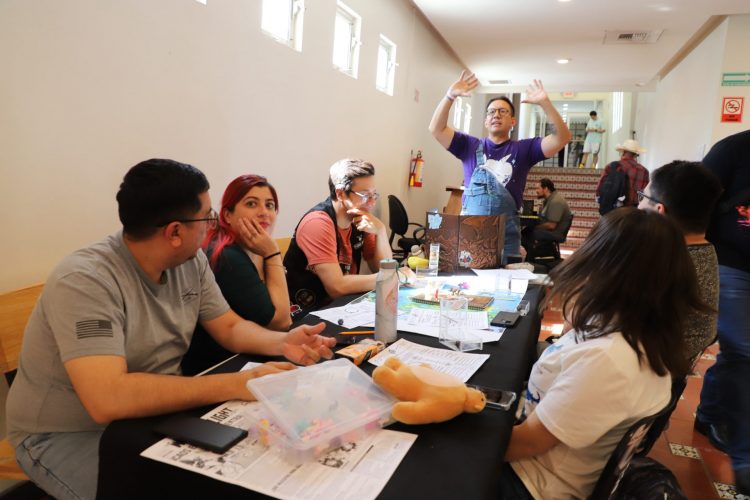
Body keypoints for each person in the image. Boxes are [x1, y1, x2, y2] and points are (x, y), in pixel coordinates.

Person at [5, 159, 336, 500]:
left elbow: (229, 326)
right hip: (68, 433)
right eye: (207, 217)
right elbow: (108, 398)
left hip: (153, 412)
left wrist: (283, 342)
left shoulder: (190, 261)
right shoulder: (86, 281)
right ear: (175, 232)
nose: (212, 225)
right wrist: (237, 384)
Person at [500, 208, 710, 499]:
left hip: (531, 482)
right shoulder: (640, 334)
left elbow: (527, 443)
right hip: (540, 463)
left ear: (606, 271)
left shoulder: (609, 359)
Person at [428, 71, 571, 262]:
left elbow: (563, 137)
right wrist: (449, 96)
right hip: (469, 234)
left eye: (503, 111)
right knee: (468, 279)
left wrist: (545, 103)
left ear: (513, 122)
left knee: (506, 280)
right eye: (491, 112)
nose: (496, 114)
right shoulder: (469, 146)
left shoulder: (524, 150)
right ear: (486, 121)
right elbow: (436, 129)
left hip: (507, 237)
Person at [182, 175, 292, 376]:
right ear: (227, 215)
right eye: (251, 204)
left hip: (245, 352)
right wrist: (273, 253)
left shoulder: (254, 249)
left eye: (269, 205)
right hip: (217, 366)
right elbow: (281, 322)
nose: (263, 212)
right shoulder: (227, 256)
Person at [696, 130, 750, 495]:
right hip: (731, 264)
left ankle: (708, 413)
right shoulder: (734, 149)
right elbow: (692, 201)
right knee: (744, 352)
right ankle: (746, 459)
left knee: (737, 354)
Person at [637, 160, 723, 364]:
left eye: (643, 197)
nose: (638, 205)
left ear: (659, 210)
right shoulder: (706, 254)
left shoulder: (665, 266)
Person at [284, 158, 393, 313]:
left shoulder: (360, 219)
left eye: (374, 194)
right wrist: (390, 277)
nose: (371, 202)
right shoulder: (318, 223)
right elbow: (337, 287)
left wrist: (381, 231)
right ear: (340, 194)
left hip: (339, 309)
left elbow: (380, 267)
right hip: (305, 312)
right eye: (364, 195)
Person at [596, 139, 649, 210]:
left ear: (623, 152)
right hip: (633, 210)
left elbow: (600, 188)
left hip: (613, 209)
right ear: (636, 155)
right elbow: (644, 194)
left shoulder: (611, 166)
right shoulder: (644, 171)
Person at [523, 178, 572, 254]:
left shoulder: (556, 201)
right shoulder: (550, 199)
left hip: (555, 233)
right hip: (551, 231)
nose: (536, 191)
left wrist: (535, 227)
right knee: (526, 231)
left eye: (538, 188)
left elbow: (551, 225)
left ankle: (533, 256)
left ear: (546, 189)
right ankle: (532, 255)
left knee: (528, 233)